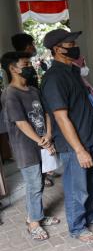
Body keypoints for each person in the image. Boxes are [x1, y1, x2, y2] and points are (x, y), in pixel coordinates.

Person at [41, 29, 93, 244]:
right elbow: (61, 118)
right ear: (57, 49)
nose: (74, 47)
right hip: (74, 146)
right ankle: (78, 228)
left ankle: (89, 215)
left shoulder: (72, 71)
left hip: (89, 138)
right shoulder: (54, 78)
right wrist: (79, 150)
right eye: (70, 44)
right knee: (77, 189)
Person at [0, 51, 60, 240]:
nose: (30, 67)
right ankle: (33, 223)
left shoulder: (34, 90)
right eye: (25, 64)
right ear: (12, 68)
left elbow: (47, 113)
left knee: (40, 182)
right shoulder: (10, 94)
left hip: (42, 144)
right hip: (26, 148)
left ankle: (36, 215)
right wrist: (40, 140)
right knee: (34, 184)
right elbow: (20, 122)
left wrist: (48, 135)